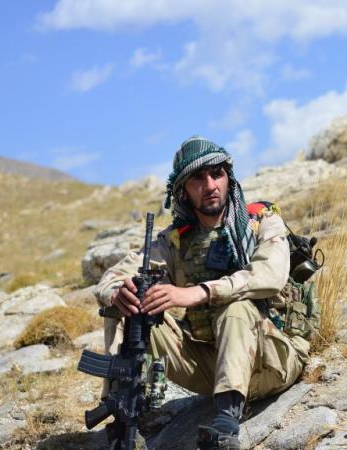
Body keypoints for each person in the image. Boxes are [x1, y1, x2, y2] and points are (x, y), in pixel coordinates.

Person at [94, 136, 307, 449]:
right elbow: (109, 278)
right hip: (214, 368)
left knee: (236, 308)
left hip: (274, 360)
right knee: (133, 305)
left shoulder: (261, 221)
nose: (210, 185)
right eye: (198, 178)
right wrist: (118, 292)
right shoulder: (176, 241)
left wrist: (198, 292)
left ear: (228, 178)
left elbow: (270, 277)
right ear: (183, 190)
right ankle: (123, 417)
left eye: (217, 174)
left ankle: (225, 430)